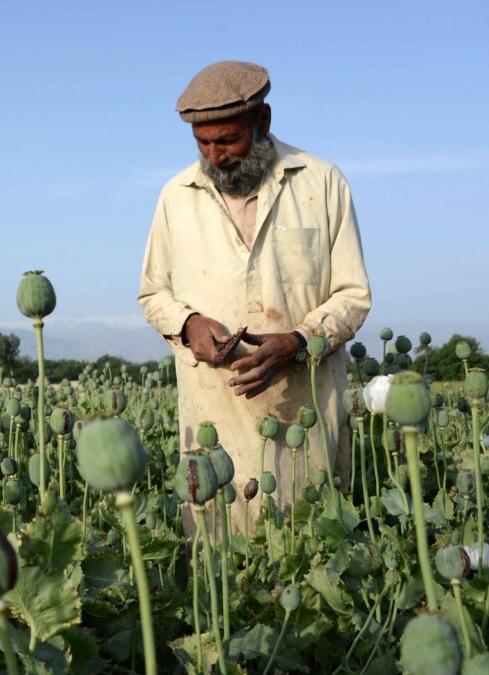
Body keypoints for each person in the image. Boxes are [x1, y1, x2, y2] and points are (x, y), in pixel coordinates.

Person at [138, 62, 371, 522]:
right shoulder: (176, 195)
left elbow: (352, 294)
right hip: (213, 416)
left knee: (306, 548)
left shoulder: (321, 182)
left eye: (228, 141)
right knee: (220, 568)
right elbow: (153, 293)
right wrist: (189, 325)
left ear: (263, 121)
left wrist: (298, 341)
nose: (215, 157)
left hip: (302, 410)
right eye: (203, 144)